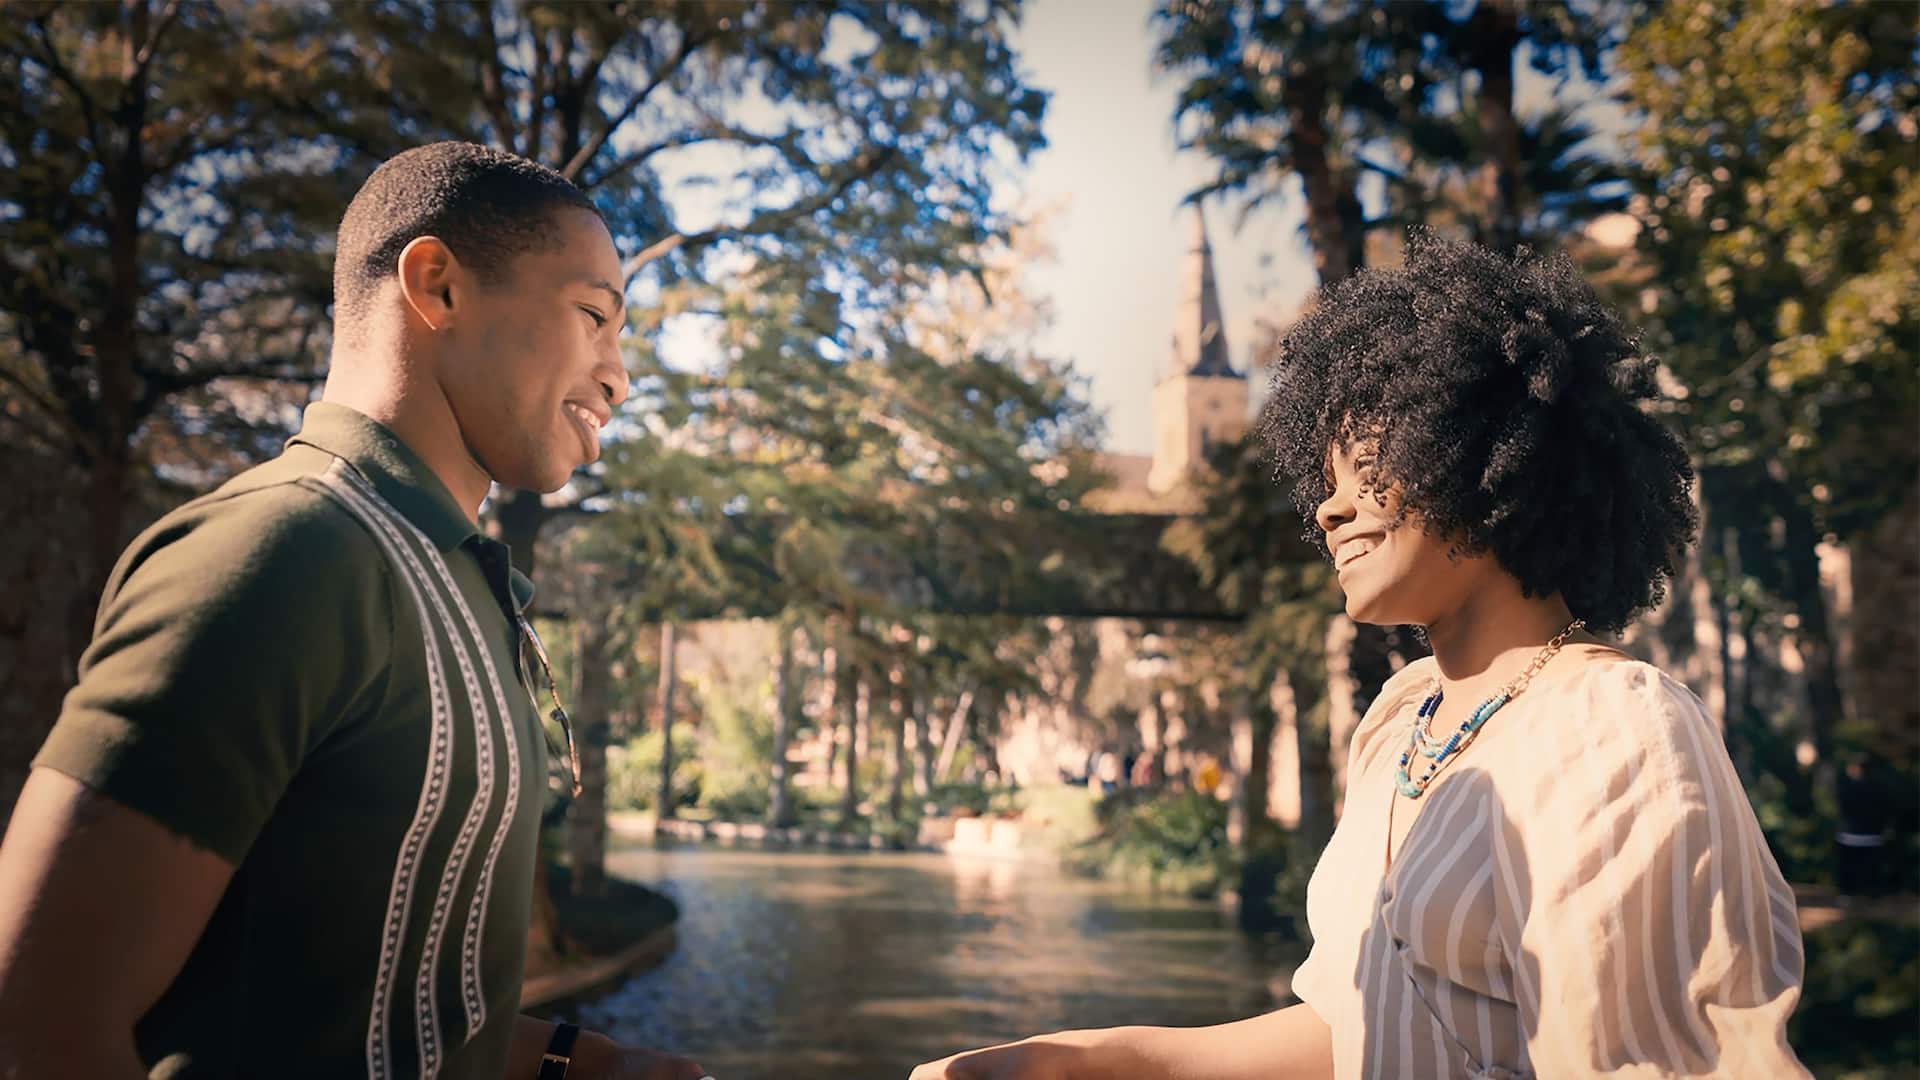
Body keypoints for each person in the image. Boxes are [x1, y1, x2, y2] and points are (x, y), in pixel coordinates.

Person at [911, 229, 1811, 1079]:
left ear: (1492, 459)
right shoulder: (1402, 722)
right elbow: (1363, 1020)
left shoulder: (1614, 727)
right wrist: (1100, 1058)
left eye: (1371, 465)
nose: (1331, 511)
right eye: (1325, 482)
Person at [0, 143, 709, 1080]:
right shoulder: (288, 555)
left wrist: (583, 1063)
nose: (619, 377)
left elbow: (381, 1006)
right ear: (437, 286)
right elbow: (35, 1025)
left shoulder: (460, 582)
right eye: (593, 317)